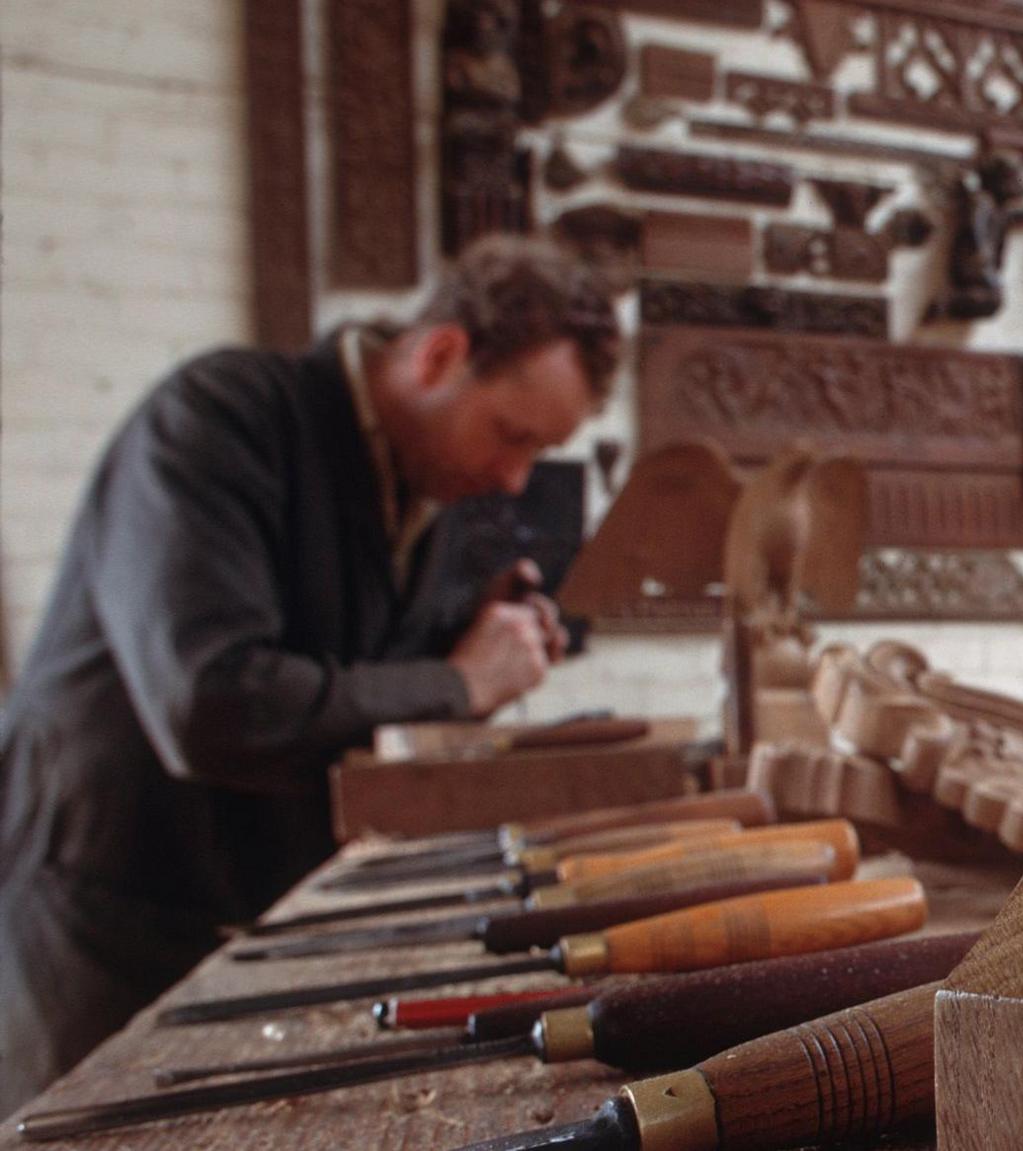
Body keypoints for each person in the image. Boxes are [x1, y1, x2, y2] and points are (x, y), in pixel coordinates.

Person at [0, 235, 620, 1111]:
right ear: (439, 354)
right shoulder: (220, 416)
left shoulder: (422, 484)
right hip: (108, 909)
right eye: (512, 437)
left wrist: (468, 628)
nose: (512, 479)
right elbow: (213, 702)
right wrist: (460, 683)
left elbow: (343, 658)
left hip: (252, 899)